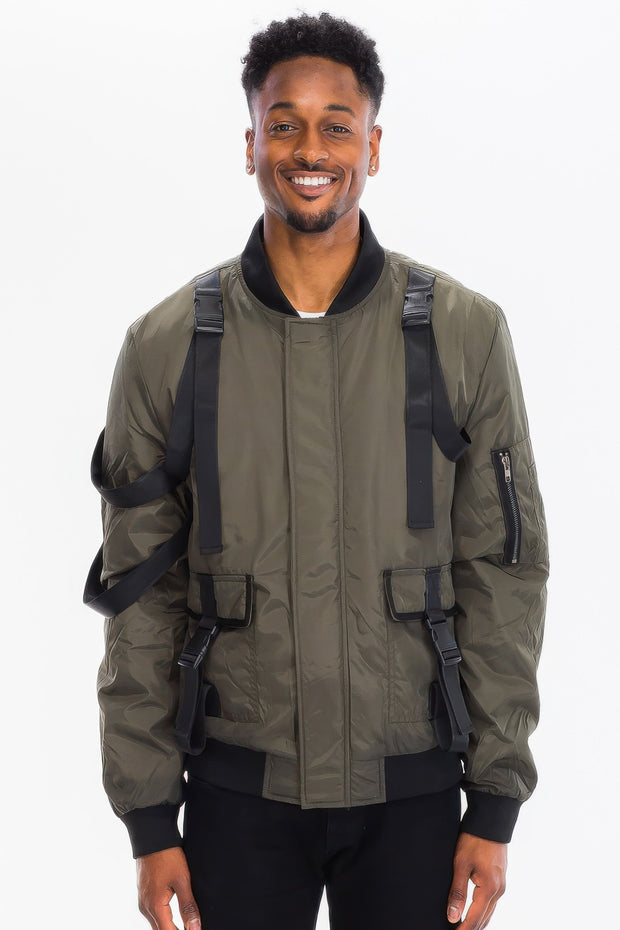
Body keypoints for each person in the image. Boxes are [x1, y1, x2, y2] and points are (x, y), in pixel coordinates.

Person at [89, 12, 549, 930]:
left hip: (415, 793)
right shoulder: (166, 345)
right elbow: (142, 601)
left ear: (371, 147)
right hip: (235, 796)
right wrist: (149, 821)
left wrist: (495, 800)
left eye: (337, 125)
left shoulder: (464, 332)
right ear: (250, 145)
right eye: (284, 123)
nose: (310, 149)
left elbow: (503, 575)